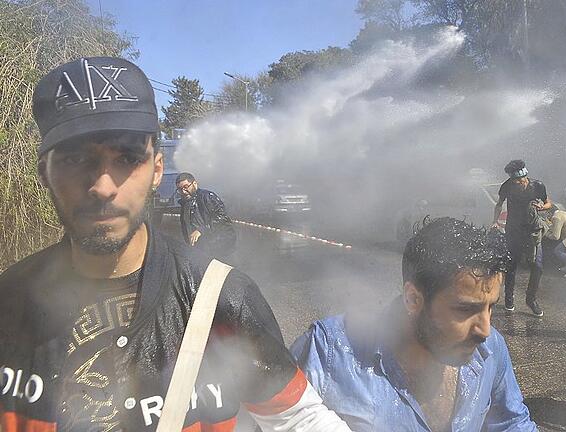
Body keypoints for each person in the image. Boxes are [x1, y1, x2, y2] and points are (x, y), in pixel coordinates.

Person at [0, 57, 350, 431]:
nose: (103, 186)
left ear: (157, 169)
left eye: (127, 157)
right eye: (74, 158)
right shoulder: (9, 300)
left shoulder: (222, 298)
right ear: (44, 174)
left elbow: (298, 418)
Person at [291, 217, 538, 431]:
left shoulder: (491, 349)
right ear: (413, 299)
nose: (485, 329)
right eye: (465, 309)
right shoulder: (327, 352)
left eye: (490, 306)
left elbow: (511, 423)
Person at [493, 159, 552, 316]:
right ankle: (509, 298)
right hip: (513, 230)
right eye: (514, 181)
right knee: (512, 265)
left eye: (518, 180)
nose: (516, 184)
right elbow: (499, 204)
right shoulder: (507, 186)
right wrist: (495, 222)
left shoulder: (538, 186)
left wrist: (542, 207)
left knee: (538, 267)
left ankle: (531, 299)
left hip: (533, 231)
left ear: (525, 176)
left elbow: (548, 203)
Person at [176, 172, 236, 260]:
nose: (183, 191)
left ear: (195, 184)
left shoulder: (207, 196)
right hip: (201, 250)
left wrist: (201, 229)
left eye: (186, 187)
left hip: (220, 248)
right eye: (180, 189)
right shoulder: (184, 204)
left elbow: (222, 219)